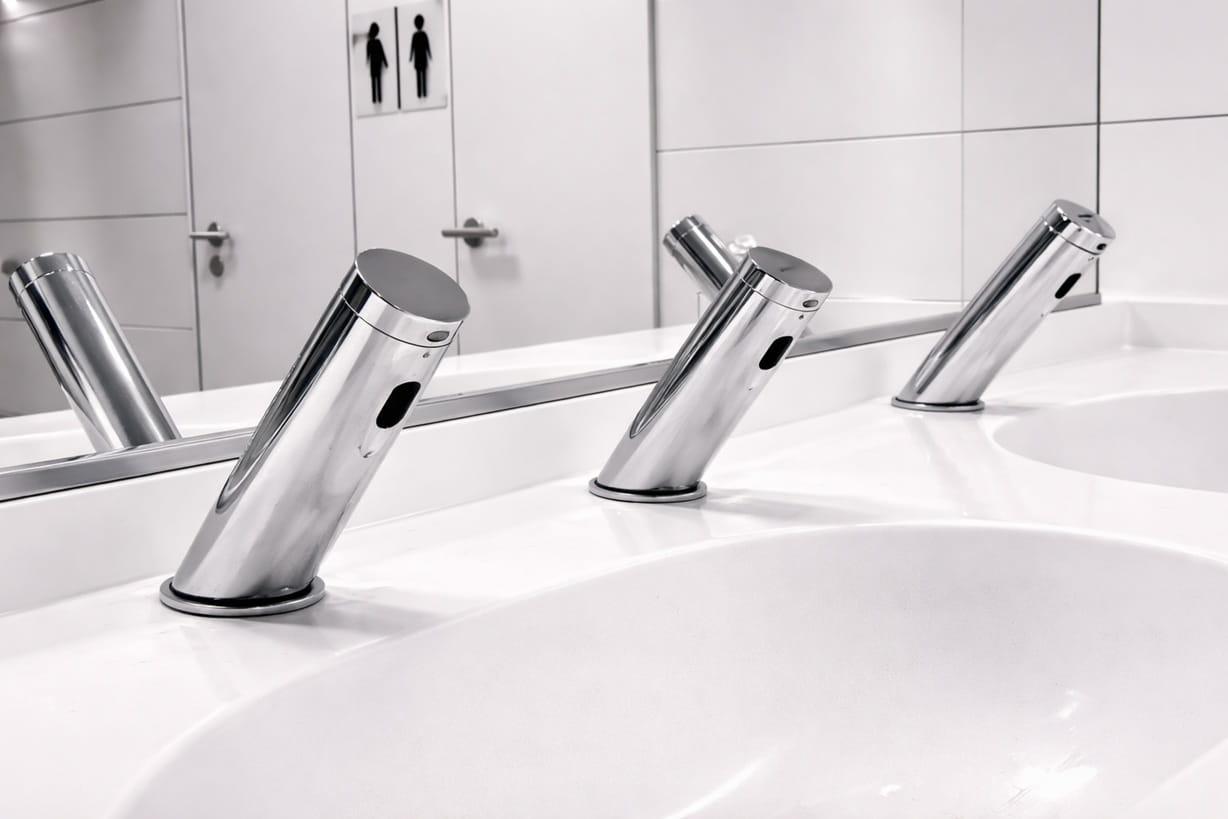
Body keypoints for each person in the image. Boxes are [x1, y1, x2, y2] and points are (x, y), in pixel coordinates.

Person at [408, 14, 432, 99]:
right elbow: (427, 45)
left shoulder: (415, 35)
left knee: (419, 77)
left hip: (418, 59)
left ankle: (420, 94)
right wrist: (429, 54)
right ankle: (424, 93)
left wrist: (411, 56)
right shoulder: (423, 34)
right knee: (423, 76)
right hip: (422, 58)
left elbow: (412, 47)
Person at [366, 22, 388, 105]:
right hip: (377, 64)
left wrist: (367, 60)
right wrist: (385, 62)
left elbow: (368, 55)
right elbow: (382, 53)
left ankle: (375, 99)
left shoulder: (369, 43)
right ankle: (378, 99)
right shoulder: (378, 42)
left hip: (373, 64)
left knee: (374, 82)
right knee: (378, 81)